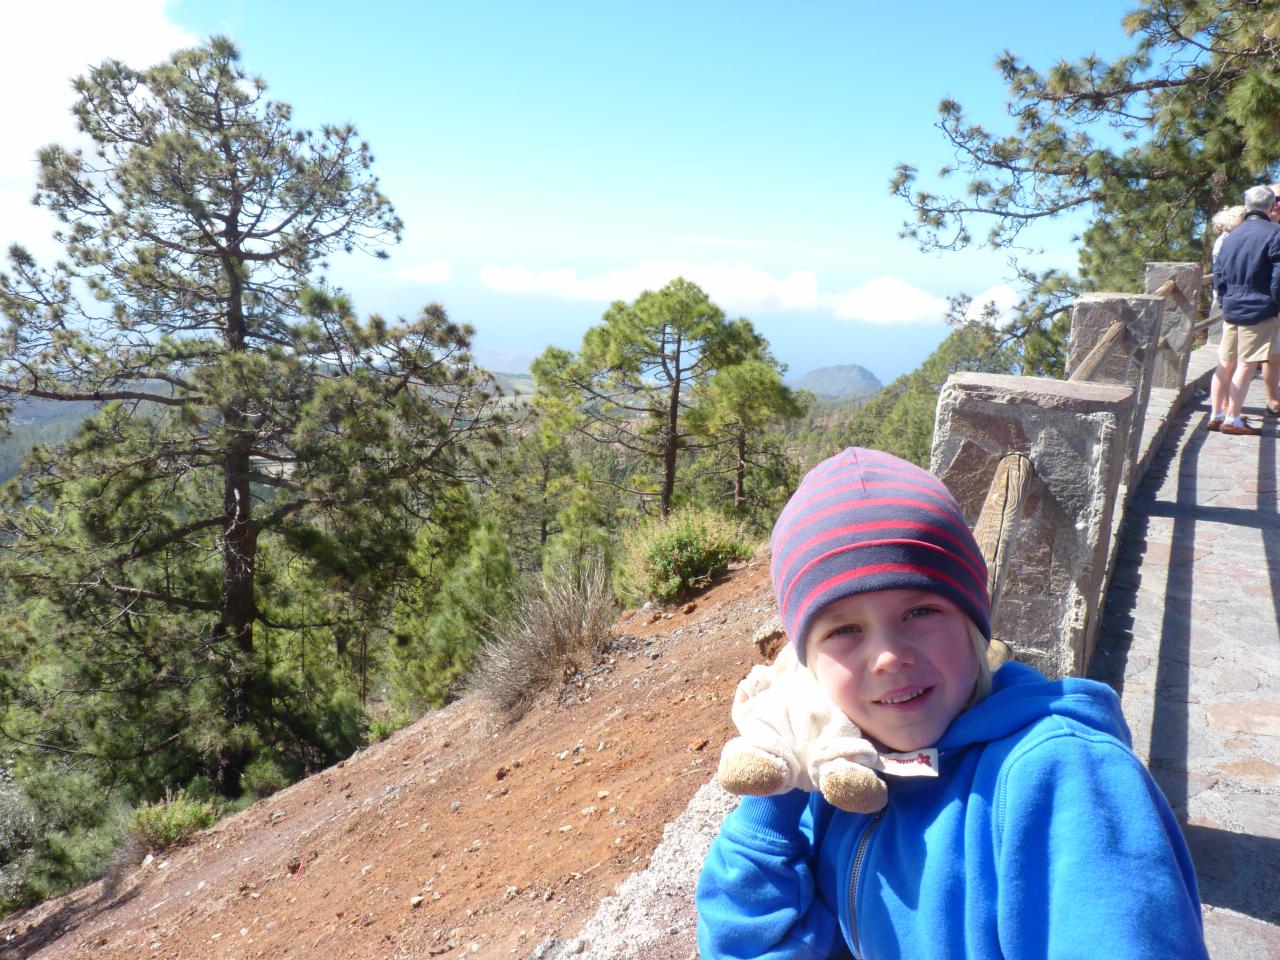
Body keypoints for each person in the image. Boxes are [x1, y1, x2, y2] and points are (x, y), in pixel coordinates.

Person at [697, 447, 1209, 960]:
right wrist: (778, 783)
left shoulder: (1064, 779)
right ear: (805, 666)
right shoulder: (840, 771)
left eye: (920, 612)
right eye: (843, 630)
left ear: (973, 625)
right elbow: (745, 945)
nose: (889, 656)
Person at [1212, 184, 1280, 435]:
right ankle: (1233, 419)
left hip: (1231, 306)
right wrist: (1277, 305)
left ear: (1247, 205)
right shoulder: (1275, 233)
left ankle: (1216, 414)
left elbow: (1219, 273)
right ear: (1271, 206)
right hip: (1260, 307)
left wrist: (1224, 300)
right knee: (1246, 364)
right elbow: (1277, 276)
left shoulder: (1231, 235)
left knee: (1225, 362)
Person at [1207, 204, 1247, 430]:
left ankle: (1219, 410)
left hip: (1225, 300)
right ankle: (1226, 409)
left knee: (1227, 357)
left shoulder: (1223, 240)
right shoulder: (1229, 241)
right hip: (1232, 302)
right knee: (1232, 358)